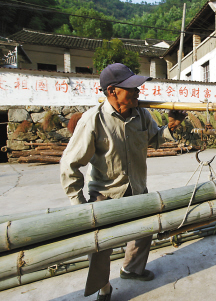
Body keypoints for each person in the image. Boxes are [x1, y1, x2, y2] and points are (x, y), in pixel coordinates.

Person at [60, 63, 186, 301]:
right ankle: (104, 286)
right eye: (131, 88)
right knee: (100, 247)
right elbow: (70, 164)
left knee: (146, 229)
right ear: (112, 91)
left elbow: (154, 139)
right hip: (105, 193)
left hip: (137, 187)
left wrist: (171, 127)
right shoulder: (93, 120)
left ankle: (131, 269)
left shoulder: (142, 115)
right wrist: (79, 206)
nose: (138, 91)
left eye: (138, 86)